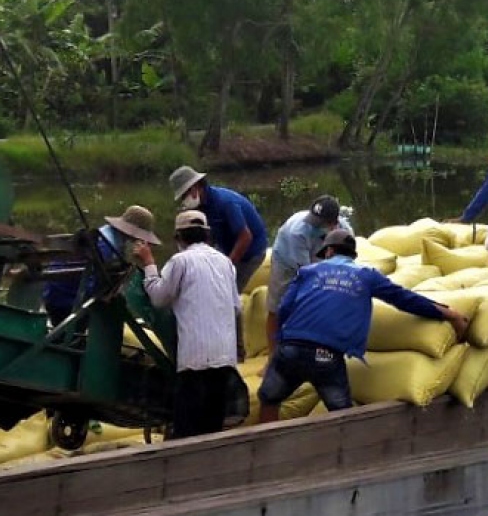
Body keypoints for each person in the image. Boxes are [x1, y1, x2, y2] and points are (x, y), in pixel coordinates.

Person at [259, 230, 470, 423]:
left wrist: (277, 349)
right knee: (342, 415)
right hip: (326, 355)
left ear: (329, 251)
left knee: (269, 398)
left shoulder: (308, 272)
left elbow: (284, 309)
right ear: (352, 255)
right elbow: (404, 299)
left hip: (291, 348)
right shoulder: (366, 275)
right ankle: (345, 458)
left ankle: (263, 452)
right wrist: (448, 313)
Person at [134, 210, 242, 439]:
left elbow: (159, 298)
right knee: (213, 425)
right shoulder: (226, 263)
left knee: (187, 427)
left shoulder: (180, 261)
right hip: (224, 355)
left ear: (178, 238)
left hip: (194, 357)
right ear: (207, 235)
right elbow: (236, 307)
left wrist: (149, 263)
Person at [41, 205, 162, 326]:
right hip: (65, 303)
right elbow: (93, 287)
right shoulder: (106, 248)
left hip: (51, 296)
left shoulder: (104, 234)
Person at [265, 194, 351, 351]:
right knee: (277, 308)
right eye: (314, 219)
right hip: (286, 261)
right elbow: (305, 273)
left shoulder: (345, 232)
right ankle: (273, 357)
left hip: (319, 257)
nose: (314, 224)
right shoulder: (297, 232)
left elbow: (346, 263)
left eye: (321, 222)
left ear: (333, 223)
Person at [171, 165, 268, 292]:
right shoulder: (199, 206)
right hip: (226, 245)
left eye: (184, 196)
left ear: (195, 188)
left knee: (229, 290)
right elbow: (206, 237)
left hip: (250, 251)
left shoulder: (225, 203)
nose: (184, 201)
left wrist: (226, 266)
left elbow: (245, 237)